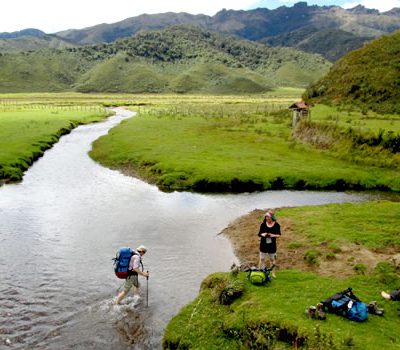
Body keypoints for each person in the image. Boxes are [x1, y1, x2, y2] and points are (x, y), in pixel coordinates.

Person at [258, 209, 281, 277]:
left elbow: (279, 234)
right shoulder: (263, 224)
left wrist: (273, 235)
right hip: (263, 244)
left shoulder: (277, 225)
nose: (266, 218)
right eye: (266, 217)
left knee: (272, 259)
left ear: (272, 217)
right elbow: (259, 234)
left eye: (268, 217)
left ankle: (273, 273)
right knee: (262, 259)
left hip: (272, 245)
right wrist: (263, 234)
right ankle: (259, 271)